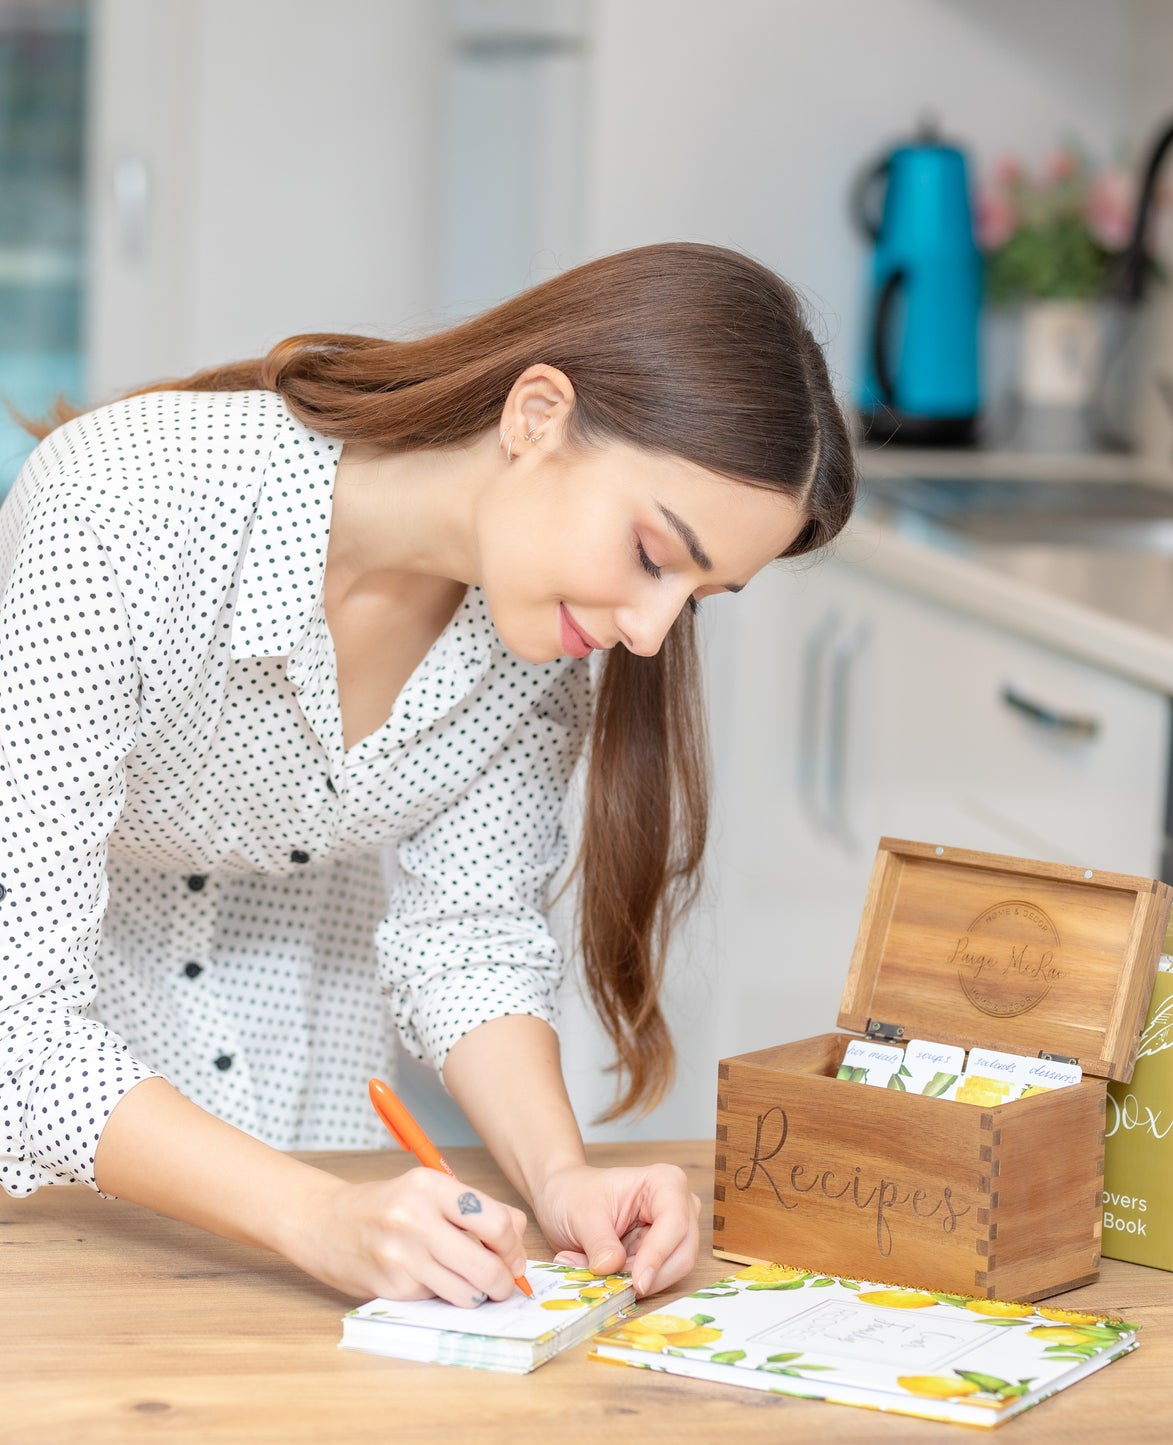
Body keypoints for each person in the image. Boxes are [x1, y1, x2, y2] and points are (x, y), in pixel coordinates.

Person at [0, 242, 856, 1308]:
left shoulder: (540, 641)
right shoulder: (119, 503)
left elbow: (469, 942)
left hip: (322, 1139)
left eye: (696, 595)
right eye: (650, 552)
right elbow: (17, 1028)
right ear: (535, 415)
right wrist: (309, 1214)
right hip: (66, 1185)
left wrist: (563, 1179)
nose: (649, 633)